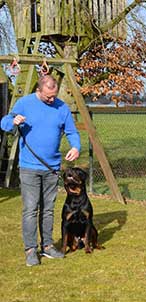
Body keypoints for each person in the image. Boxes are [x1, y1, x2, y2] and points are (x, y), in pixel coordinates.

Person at [1, 75, 80, 266]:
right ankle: (30, 250)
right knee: (30, 210)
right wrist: (14, 121)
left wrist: (75, 147)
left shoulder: (62, 107)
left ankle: (47, 246)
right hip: (29, 167)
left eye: (53, 96)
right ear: (39, 90)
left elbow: (71, 131)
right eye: (48, 97)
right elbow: (3, 123)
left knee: (48, 209)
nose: (52, 100)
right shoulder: (24, 103)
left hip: (51, 168)